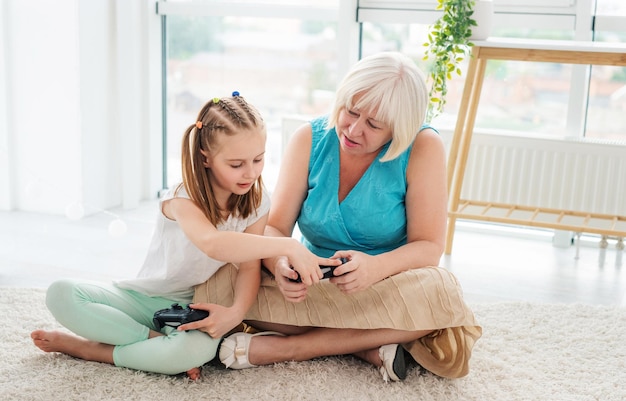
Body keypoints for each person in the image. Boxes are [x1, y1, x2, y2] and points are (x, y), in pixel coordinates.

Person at [194, 53, 482, 382]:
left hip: (387, 287)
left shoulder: (424, 146)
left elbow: (429, 246)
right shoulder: (309, 138)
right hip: (313, 286)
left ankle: (292, 348)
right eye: (351, 111)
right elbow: (273, 228)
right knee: (224, 275)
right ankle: (367, 346)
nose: (354, 130)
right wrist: (282, 264)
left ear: (400, 129)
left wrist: (375, 268)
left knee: (441, 291)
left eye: (374, 125)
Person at [30, 92, 335, 380]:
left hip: (194, 307)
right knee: (61, 293)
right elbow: (213, 244)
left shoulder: (257, 202)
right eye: (236, 164)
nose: (250, 173)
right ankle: (150, 343)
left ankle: (91, 349)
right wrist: (287, 244)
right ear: (206, 158)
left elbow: (248, 266)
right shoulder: (182, 197)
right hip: (143, 298)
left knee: (199, 349)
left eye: (258, 159)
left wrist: (234, 314)